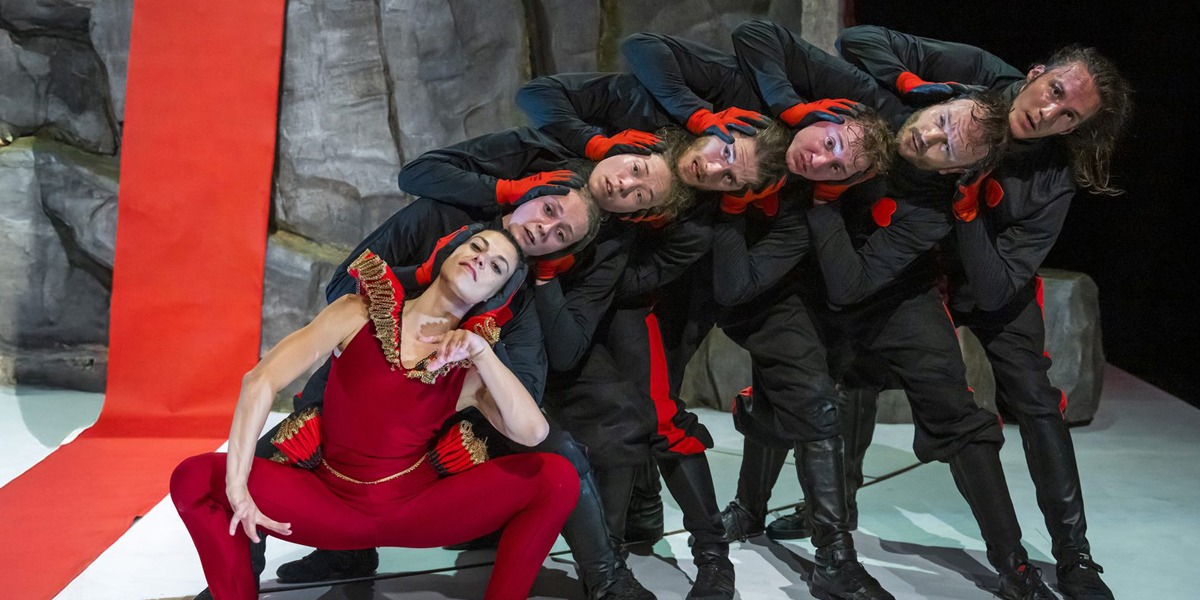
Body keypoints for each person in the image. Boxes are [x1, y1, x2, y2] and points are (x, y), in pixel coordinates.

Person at [833, 25, 1133, 600]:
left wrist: (969, 213)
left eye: (1068, 115)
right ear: (1037, 71)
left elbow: (999, 289)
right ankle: (837, 510)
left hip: (994, 280)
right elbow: (860, 41)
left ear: (1074, 130)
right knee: (858, 368)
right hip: (922, 266)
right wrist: (918, 90)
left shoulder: (1053, 178)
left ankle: (1075, 557)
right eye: (1054, 91)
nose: (1049, 112)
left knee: (1037, 400)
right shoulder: (977, 74)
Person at [170, 227, 580, 600]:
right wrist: (238, 485)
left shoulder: (470, 366)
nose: (480, 259)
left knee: (556, 477)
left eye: (496, 266)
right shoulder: (357, 312)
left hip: (416, 507)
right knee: (194, 478)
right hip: (331, 501)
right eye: (476, 247)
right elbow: (260, 381)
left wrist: (482, 353)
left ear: (494, 293)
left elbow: (532, 432)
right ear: (449, 252)